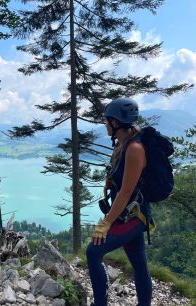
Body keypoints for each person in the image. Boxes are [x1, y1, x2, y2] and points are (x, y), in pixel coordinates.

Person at [86, 97, 152, 306]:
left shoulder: (134, 148)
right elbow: (122, 178)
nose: (105, 124)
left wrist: (105, 224)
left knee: (93, 251)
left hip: (132, 216)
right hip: (129, 214)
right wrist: (110, 179)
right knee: (139, 265)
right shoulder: (126, 141)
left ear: (115, 123)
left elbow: (125, 193)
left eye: (107, 121)